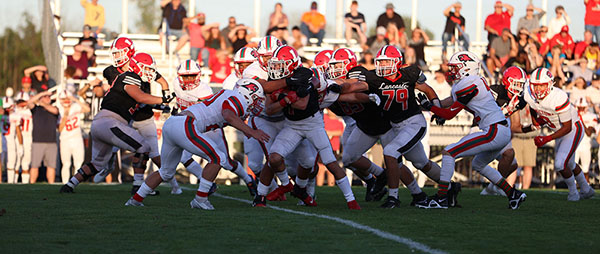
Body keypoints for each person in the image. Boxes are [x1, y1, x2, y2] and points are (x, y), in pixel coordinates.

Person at [125, 79, 269, 209]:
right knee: (218, 158)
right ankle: (200, 199)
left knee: (166, 172)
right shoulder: (238, 98)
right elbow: (228, 115)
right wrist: (251, 131)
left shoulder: (228, 94)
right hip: (186, 124)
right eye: (256, 99)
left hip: (172, 124)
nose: (257, 103)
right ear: (249, 94)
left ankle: (135, 200)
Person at [420, 51, 526, 209]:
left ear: (466, 68)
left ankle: (442, 198)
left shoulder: (468, 84)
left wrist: (431, 107)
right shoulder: (470, 82)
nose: (452, 71)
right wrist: (435, 108)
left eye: (455, 68)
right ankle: (513, 195)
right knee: (478, 164)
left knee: (449, 152)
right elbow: (452, 102)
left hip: (493, 130)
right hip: (499, 129)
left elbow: (450, 114)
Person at [259, 45, 360, 209]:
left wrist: (281, 97)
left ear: (291, 64)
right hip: (292, 125)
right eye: (275, 64)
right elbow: (270, 109)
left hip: (313, 123)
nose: (276, 68)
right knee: (274, 157)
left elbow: (302, 104)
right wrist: (287, 97)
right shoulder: (278, 79)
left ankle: (351, 200)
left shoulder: (305, 74)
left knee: (329, 161)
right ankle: (269, 193)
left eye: (280, 64)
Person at [60, 52, 173, 193]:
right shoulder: (131, 77)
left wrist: (162, 105)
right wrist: (163, 99)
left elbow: (143, 101)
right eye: (147, 68)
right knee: (144, 147)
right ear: (138, 67)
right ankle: (138, 186)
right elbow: (140, 97)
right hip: (111, 123)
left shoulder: (129, 78)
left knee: (97, 163)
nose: (150, 72)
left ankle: (70, 184)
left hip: (101, 122)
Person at [169, 59, 257, 195]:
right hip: (190, 125)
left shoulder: (204, 89)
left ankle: (248, 179)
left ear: (198, 75)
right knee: (184, 157)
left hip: (210, 128)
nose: (188, 80)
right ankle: (207, 185)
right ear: (179, 76)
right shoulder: (176, 84)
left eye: (192, 76)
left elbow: (210, 111)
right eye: (185, 76)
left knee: (226, 162)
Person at [523, 67, 594, 201]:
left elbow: (567, 127)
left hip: (573, 129)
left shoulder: (558, 97)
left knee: (560, 164)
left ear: (550, 85)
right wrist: (535, 121)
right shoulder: (528, 94)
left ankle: (573, 193)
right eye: (535, 86)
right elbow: (532, 106)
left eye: (542, 86)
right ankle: (586, 189)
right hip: (558, 131)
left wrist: (547, 138)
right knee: (570, 164)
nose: (538, 90)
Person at [57, 91, 90, 184]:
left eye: (68, 98)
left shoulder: (75, 106)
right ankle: (65, 183)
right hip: (65, 139)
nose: (66, 101)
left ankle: (75, 183)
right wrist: (66, 115)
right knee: (66, 164)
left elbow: (87, 109)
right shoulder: (58, 109)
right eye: (64, 99)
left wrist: (75, 99)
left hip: (77, 138)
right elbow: (60, 129)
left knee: (78, 163)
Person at [27, 91, 59, 184]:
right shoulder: (36, 109)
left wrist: (43, 103)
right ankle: (32, 183)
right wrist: (41, 94)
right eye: (45, 97)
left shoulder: (54, 108)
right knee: (34, 165)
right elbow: (29, 102)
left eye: (49, 96)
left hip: (51, 142)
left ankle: (51, 184)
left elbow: (55, 111)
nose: (47, 98)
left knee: (51, 166)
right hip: (38, 141)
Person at [574, 98, 597, 182]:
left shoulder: (591, 116)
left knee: (585, 168)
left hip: (586, 144)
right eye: (579, 108)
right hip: (574, 144)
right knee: (573, 166)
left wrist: (580, 120)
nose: (580, 110)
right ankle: (573, 187)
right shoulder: (572, 116)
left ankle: (586, 186)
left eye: (582, 108)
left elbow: (589, 133)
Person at [2, 97, 23, 184]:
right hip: (2, 140)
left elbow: (18, 131)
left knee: (11, 163)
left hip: (11, 141)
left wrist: (20, 144)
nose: (7, 109)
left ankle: (10, 183)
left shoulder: (16, 115)